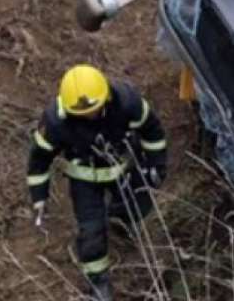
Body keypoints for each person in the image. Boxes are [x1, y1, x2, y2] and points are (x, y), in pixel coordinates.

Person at [26, 65, 168, 301]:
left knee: (138, 203)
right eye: (82, 114)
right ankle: (98, 282)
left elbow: (152, 130)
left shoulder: (126, 102)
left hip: (124, 168)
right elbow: (39, 160)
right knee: (91, 230)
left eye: (94, 109)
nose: (90, 116)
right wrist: (39, 196)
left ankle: (120, 221)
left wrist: (156, 166)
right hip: (85, 179)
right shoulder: (55, 121)